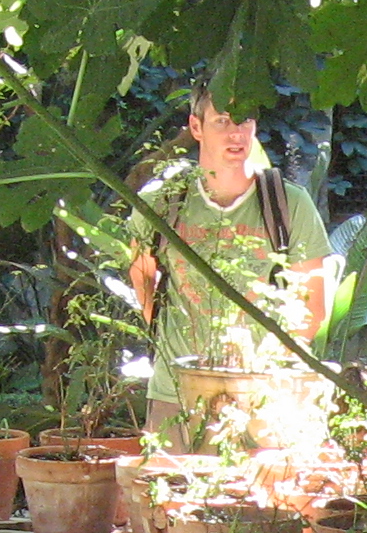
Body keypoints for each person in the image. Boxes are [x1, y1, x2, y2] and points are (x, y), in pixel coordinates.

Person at [127, 89, 334, 439]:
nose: (236, 133)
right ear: (196, 127)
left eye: (245, 120)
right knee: (168, 475)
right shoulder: (161, 201)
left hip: (262, 398)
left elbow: (312, 308)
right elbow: (142, 280)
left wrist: (263, 372)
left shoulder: (289, 204)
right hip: (174, 392)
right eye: (222, 121)